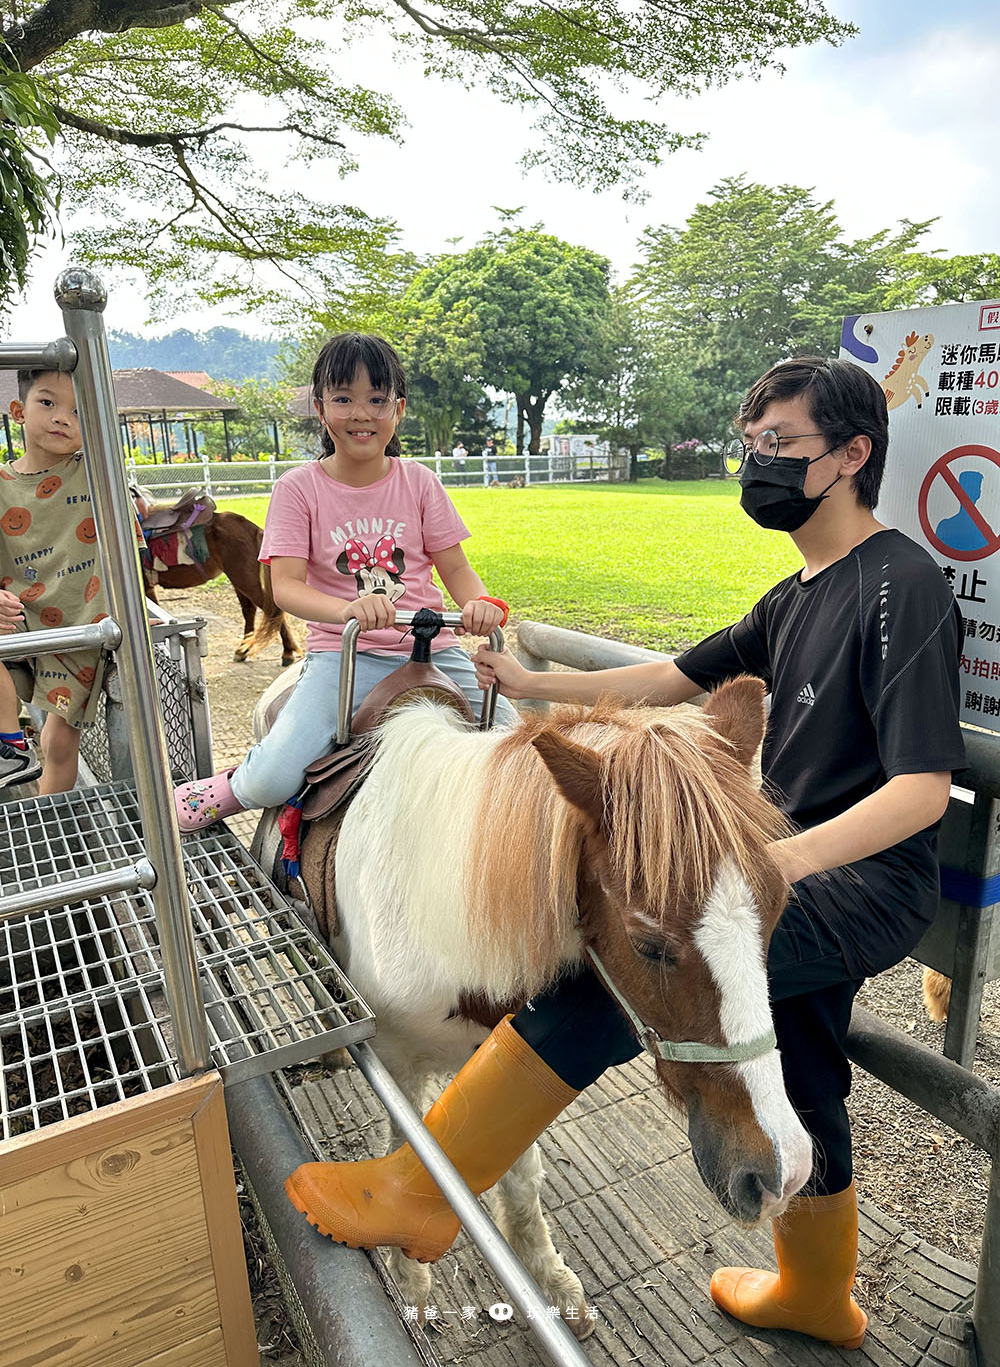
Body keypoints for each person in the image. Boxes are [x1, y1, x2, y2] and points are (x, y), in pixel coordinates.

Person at [282, 357, 965, 1351]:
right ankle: (817, 1291)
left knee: (634, 958)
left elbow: (917, 788)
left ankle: (423, 1186)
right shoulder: (795, 594)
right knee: (804, 1057)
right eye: (750, 444)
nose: (755, 463)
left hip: (859, 877)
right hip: (787, 864)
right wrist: (531, 682)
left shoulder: (900, 582)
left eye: (779, 446)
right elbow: (675, 676)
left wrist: (767, 867)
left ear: (852, 454)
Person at [174, 333, 518, 831]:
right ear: (320, 408)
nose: (362, 413)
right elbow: (285, 586)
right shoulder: (299, 489)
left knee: (514, 740)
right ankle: (227, 788)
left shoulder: (420, 482)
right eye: (344, 398)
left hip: (433, 649)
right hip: (344, 656)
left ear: (397, 410)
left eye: (377, 400)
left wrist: (481, 604)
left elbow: (457, 569)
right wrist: (347, 611)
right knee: (275, 775)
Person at [0, 369, 116, 793]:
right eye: (47, 403)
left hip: (81, 624)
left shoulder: (98, 474)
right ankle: (10, 743)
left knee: (62, 740)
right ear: (18, 411)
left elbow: (126, 548)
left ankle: (52, 824)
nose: (64, 418)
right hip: (17, 619)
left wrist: (136, 607)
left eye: (79, 410)